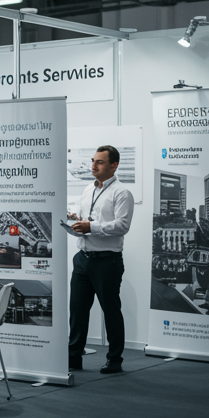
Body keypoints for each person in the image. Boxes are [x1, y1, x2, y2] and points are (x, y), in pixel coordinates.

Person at [67, 146, 134, 375]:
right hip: (83, 259)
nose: (94, 166)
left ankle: (114, 360)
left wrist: (91, 226)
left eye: (100, 162)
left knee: (111, 311)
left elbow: (122, 226)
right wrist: (77, 219)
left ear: (114, 165)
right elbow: (88, 217)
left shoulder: (122, 193)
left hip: (107, 261)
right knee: (77, 310)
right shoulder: (88, 189)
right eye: (93, 161)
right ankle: (73, 357)